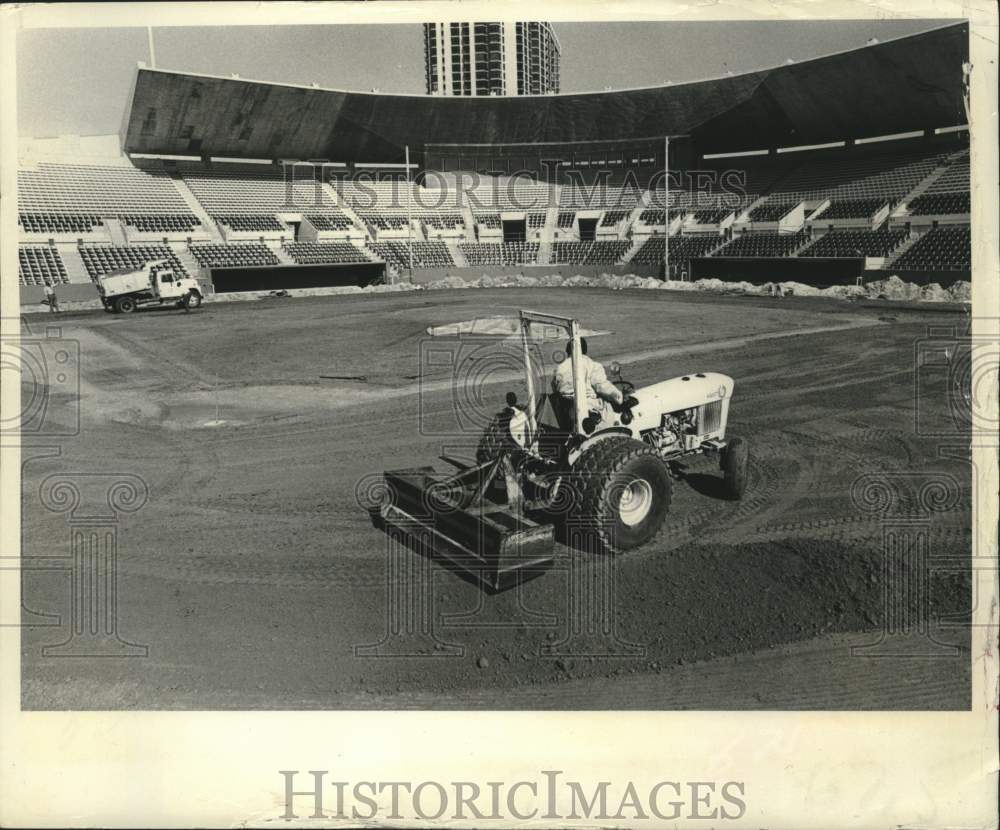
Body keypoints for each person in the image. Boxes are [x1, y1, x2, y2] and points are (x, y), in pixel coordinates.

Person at [551, 337, 624, 433]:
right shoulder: (592, 365)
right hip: (588, 406)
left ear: (568, 351)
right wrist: (618, 396)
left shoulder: (559, 368)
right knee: (608, 412)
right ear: (585, 350)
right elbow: (601, 386)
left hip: (566, 409)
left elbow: (555, 387)